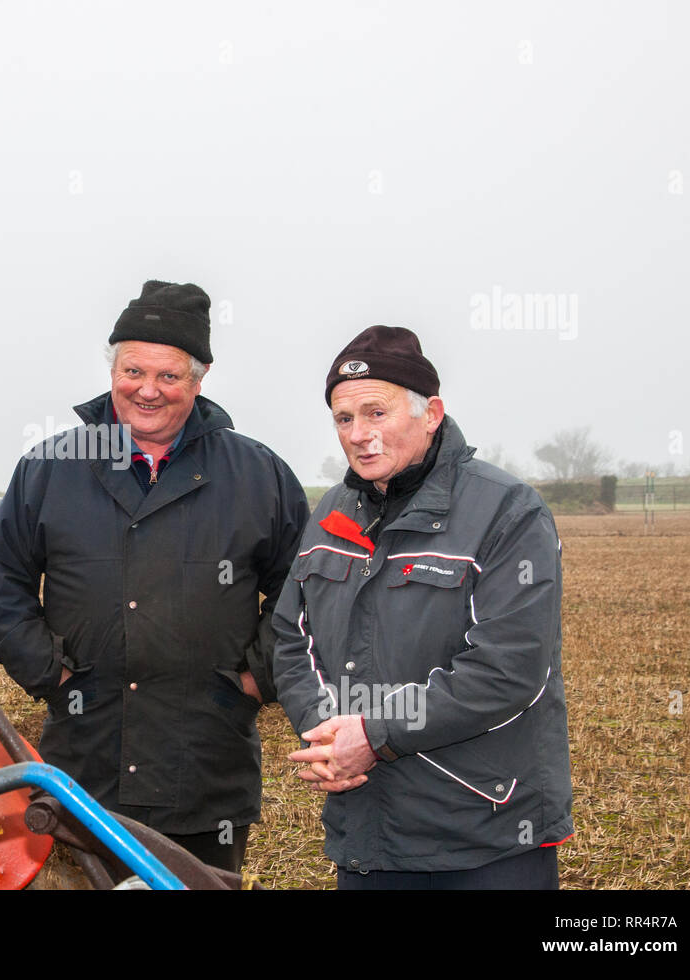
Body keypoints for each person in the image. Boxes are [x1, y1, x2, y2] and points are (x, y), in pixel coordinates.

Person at [0, 280, 308, 873]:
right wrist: (50, 672)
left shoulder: (259, 475)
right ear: (113, 369)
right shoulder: (52, 467)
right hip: (84, 765)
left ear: (200, 379)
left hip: (208, 767)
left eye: (169, 376)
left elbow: (303, 590)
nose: (146, 391)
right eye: (133, 370)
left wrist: (256, 678)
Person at [273, 325, 573, 888]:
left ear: (431, 413)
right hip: (366, 835)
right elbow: (293, 637)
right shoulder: (333, 513)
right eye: (344, 419)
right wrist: (330, 735)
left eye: (376, 413)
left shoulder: (507, 511)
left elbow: (508, 670)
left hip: (484, 836)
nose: (359, 435)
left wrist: (375, 734)